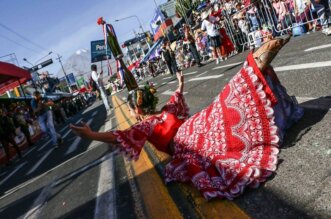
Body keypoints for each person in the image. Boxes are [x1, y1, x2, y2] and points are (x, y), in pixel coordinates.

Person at [70, 36, 304, 200]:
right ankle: (252, 67)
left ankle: (254, 65)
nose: (131, 114)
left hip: (187, 142)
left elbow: (118, 136)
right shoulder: (167, 111)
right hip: (195, 124)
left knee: (224, 138)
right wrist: (180, 83)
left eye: (131, 110)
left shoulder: (147, 124)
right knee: (224, 107)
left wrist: (92, 135)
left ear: (137, 110)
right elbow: (176, 96)